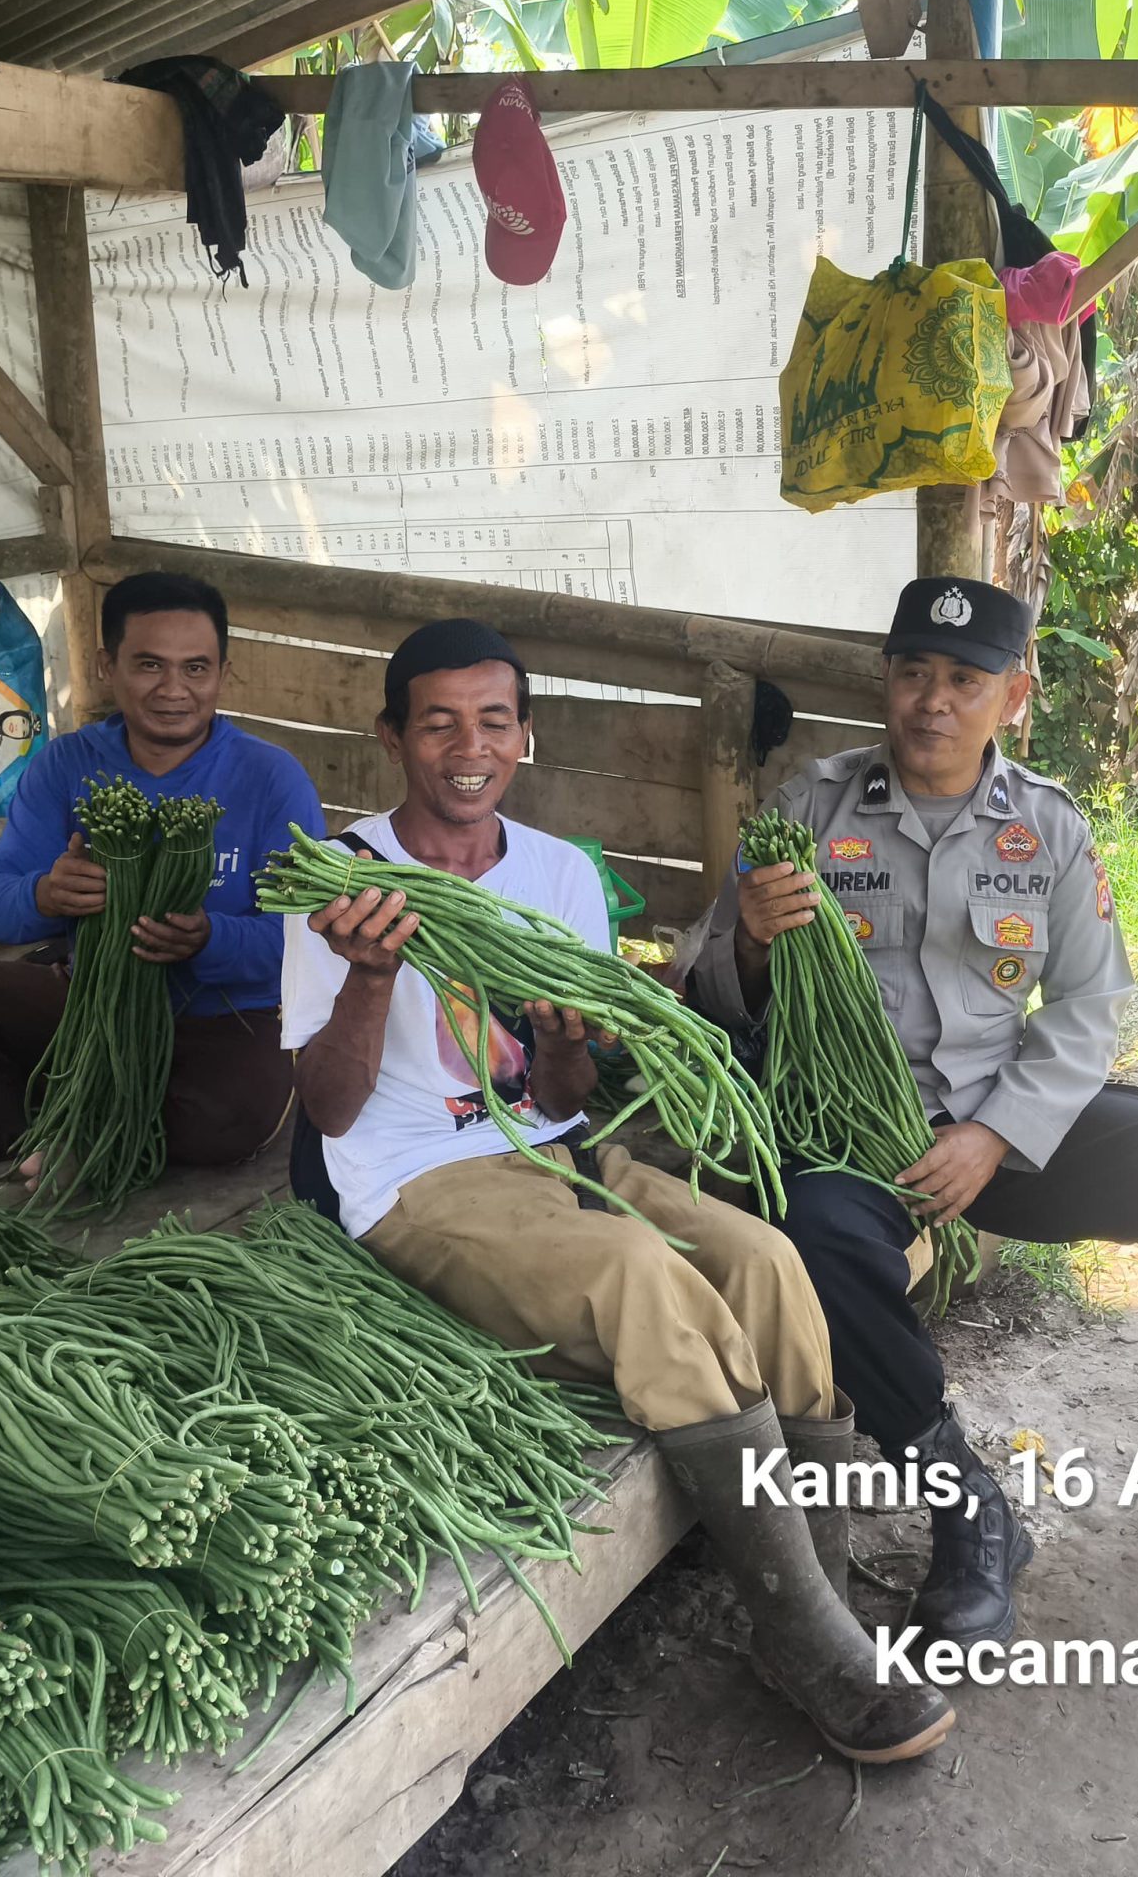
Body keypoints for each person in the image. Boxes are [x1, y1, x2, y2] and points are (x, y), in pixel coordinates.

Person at [281, 618, 953, 1766]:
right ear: (391, 736)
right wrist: (370, 977)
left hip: (556, 1150)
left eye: (493, 721)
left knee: (767, 1260)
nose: (468, 747)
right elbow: (329, 1109)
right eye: (438, 724)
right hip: (414, 1180)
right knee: (646, 1278)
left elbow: (564, 1095)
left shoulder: (555, 874)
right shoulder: (340, 884)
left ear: (524, 735)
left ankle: (820, 1596)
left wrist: (561, 1043)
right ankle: (804, 1633)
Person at [691, 576, 1138, 1648]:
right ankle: (966, 1505)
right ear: (886, 681)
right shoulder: (807, 811)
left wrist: (995, 1134)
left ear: (1012, 698)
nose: (933, 701)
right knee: (815, 1238)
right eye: (914, 673)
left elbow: (1088, 1006)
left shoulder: (1046, 827)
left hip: (1002, 1126)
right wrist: (745, 941)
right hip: (852, 1140)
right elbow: (706, 991)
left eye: (964, 681)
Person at [0, 572, 321, 1171]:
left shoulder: (271, 777)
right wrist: (46, 895)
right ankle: (19, 1143)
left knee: (228, 1119)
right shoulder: (67, 765)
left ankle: (78, 1125)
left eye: (195, 668)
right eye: (149, 665)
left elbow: (305, 936)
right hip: (89, 1003)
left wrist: (210, 939)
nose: (173, 690)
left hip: (220, 1017)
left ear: (223, 673)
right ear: (108, 666)